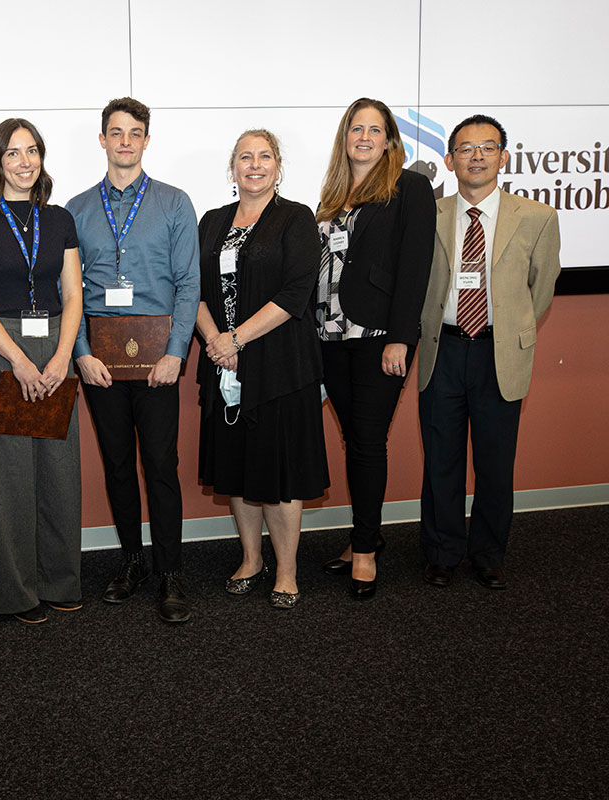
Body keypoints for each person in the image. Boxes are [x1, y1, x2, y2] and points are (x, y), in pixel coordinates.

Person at [66, 97, 200, 623]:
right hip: (100, 364)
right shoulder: (75, 210)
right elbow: (69, 290)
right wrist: (79, 354)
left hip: (158, 364)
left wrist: (175, 353)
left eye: (135, 132)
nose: (125, 141)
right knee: (118, 466)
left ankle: (170, 571)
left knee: (161, 467)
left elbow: (189, 284)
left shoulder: (174, 203)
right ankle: (131, 561)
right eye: (115, 132)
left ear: (147, 140)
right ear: (102, 140)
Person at [417, 114, 561, 590]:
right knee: (441, 459)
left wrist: (509, 326)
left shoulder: (537, 217)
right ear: (449, 158)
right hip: (443, 351)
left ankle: (488, 553)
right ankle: (442, 551)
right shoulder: (430, 215)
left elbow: (540, 288)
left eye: (487, 146)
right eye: (465, 147)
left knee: (496, 463)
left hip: (499, 353)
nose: (476, 155)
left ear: (503, 156)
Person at [0, 119, 84, 624]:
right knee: (9, 476)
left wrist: (60, 357)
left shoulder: (59, 220)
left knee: (59, 471)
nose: (25, 161)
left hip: (55, 347)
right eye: (13, 153)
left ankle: (60, 580)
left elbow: (73, 295)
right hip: (3, 348)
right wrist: (18, 359)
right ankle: (15, 593)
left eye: (32, 151)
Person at [196, 130, 328, 609]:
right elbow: (192, 288)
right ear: (233, 167)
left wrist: (236, 338)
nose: (254, 165)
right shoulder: (210, 222)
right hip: (223, 364)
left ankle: (287, 569)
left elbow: (295, 294)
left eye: (264, 156)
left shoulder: (295, 218)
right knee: (237, 468)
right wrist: (215, 341)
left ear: (278, 165)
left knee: (280, 471)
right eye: (245, 157)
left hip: (280, 368)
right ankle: (251, 559)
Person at [315, 98, 435, 599]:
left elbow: (415, 266)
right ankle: (366, 534)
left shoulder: (409, 187)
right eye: (355, 128)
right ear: (345, 137)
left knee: (368, 442)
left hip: (377, 337)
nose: (364, 136)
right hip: (327, 336)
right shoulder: (332, 194)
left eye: (375, 129)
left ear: (389, 139)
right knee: (354, 440)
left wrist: (402, 337)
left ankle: (365, 549)